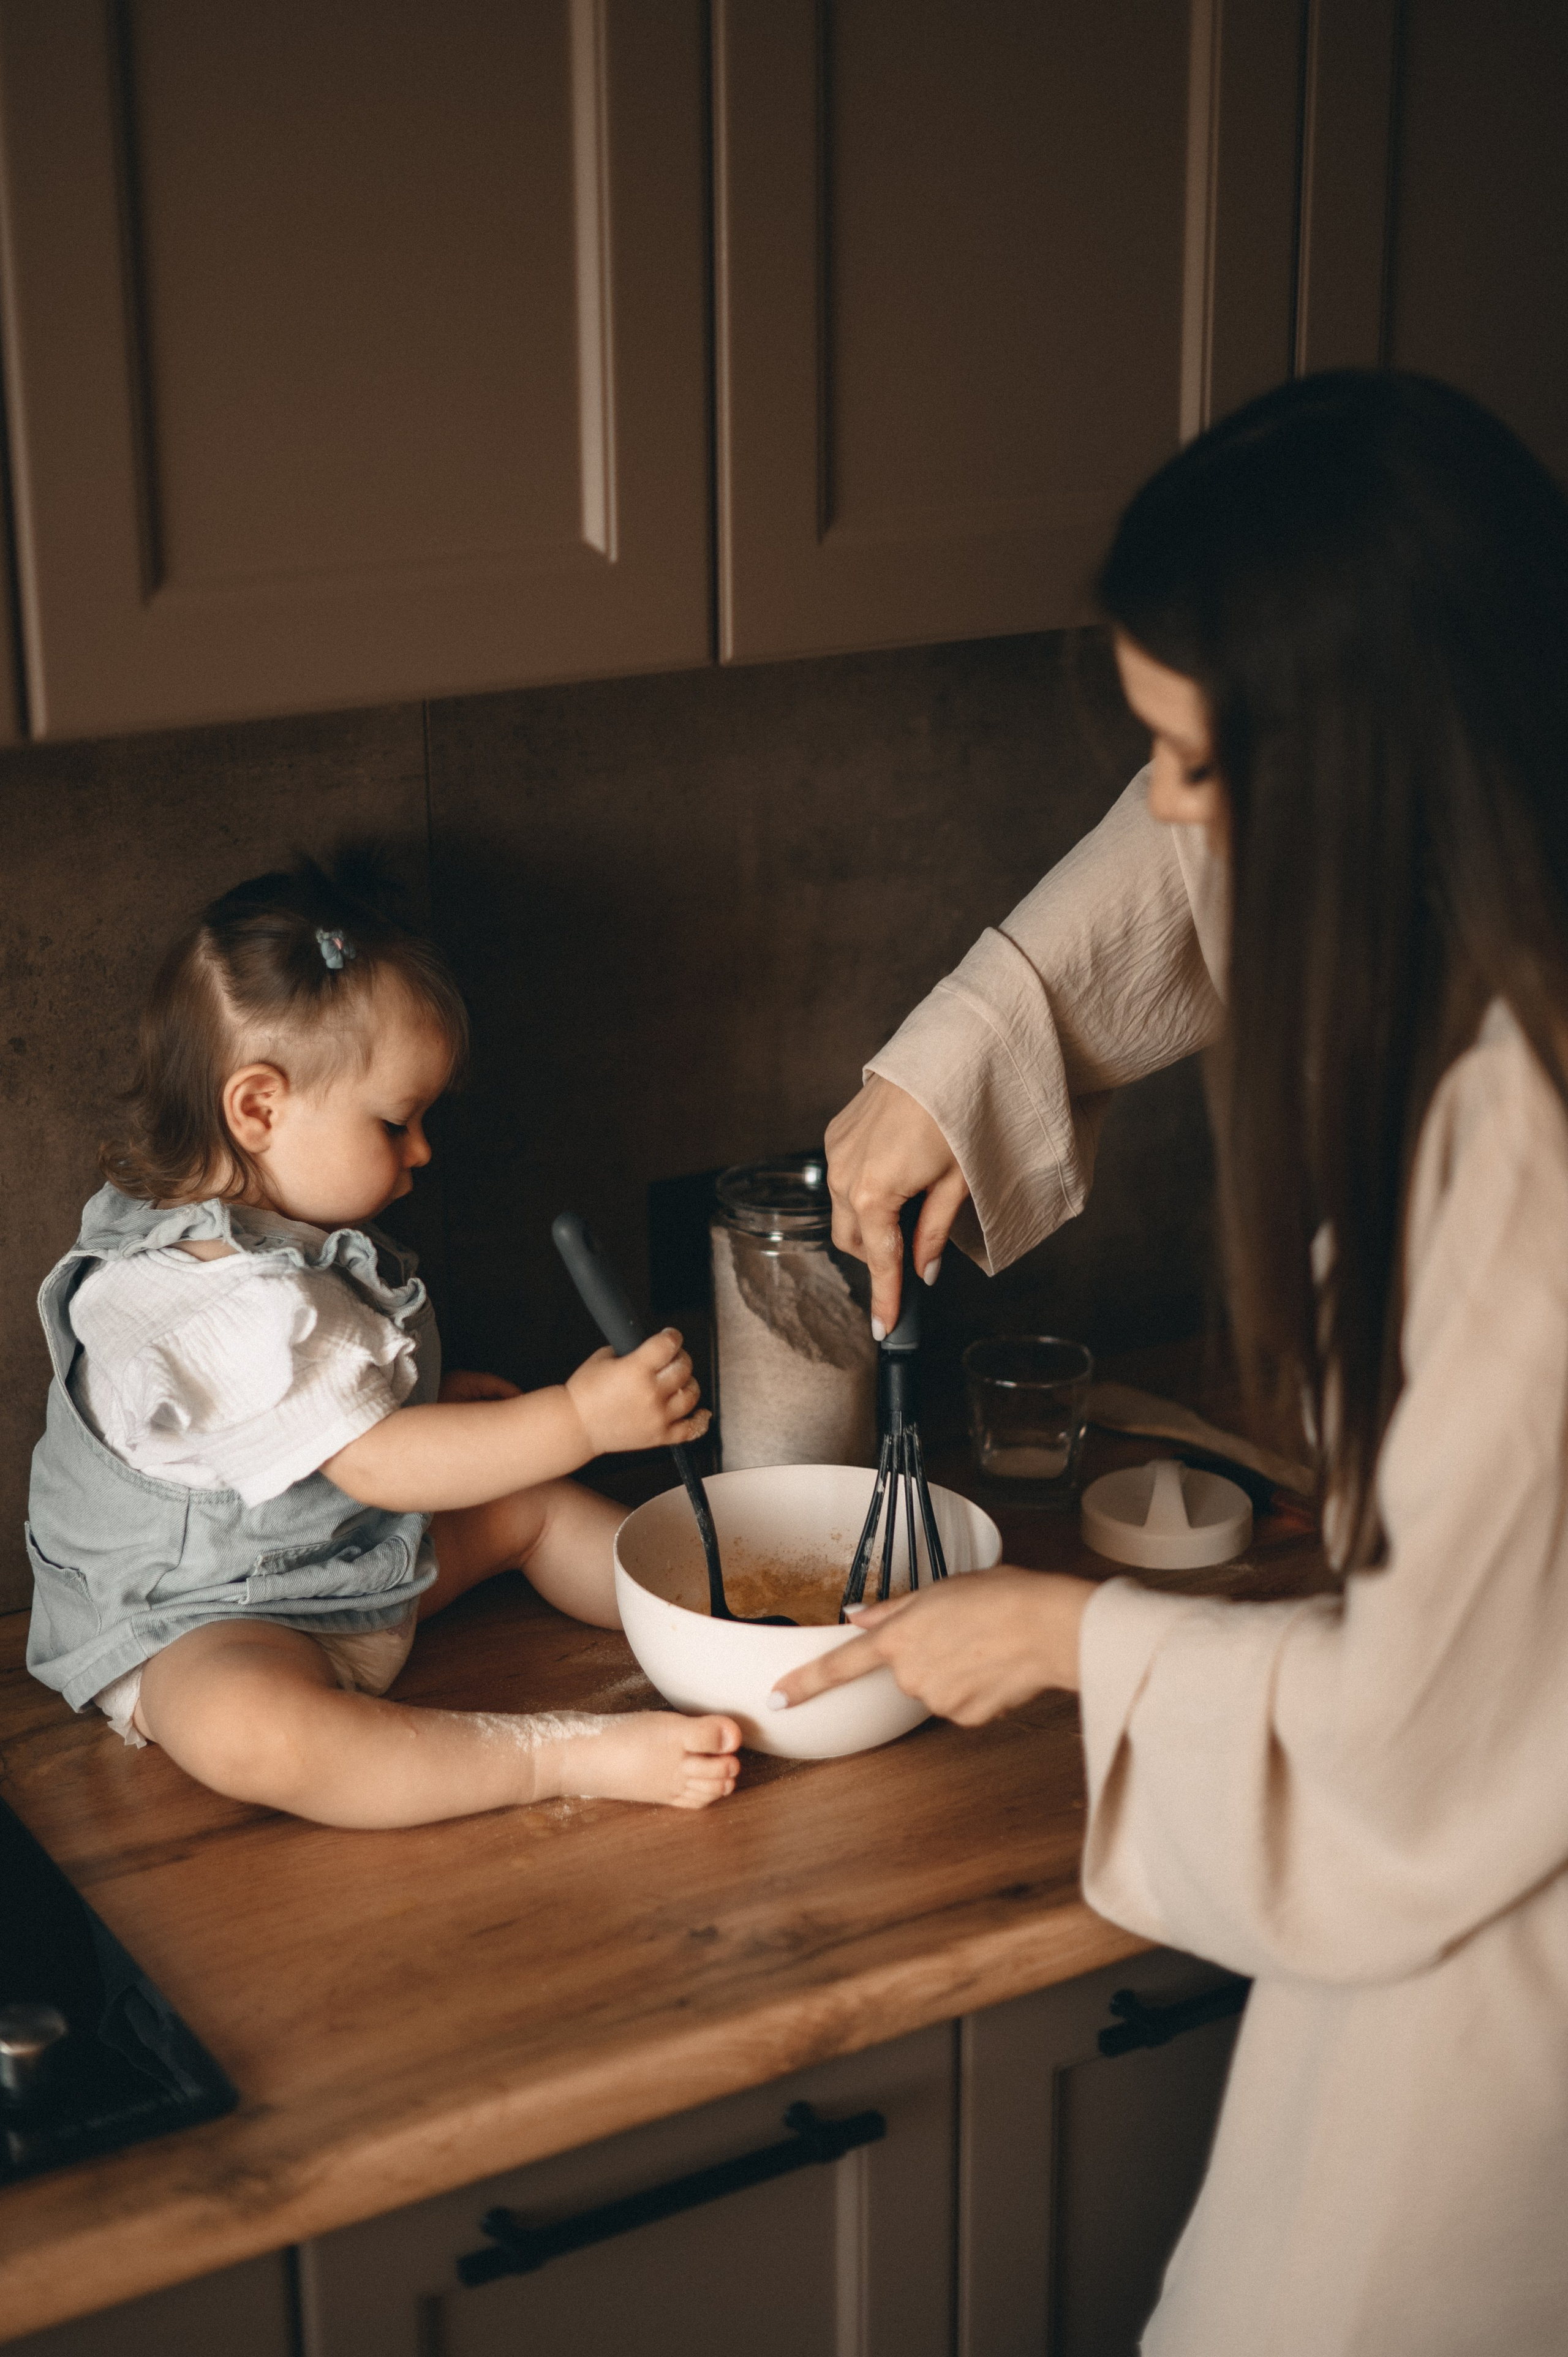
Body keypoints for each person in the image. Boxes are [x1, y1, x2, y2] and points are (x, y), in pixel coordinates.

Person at [774, 372, 1568, 2352]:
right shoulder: (1493, 826)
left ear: (1376, 767)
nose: (1174, 814)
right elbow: (1195, 864)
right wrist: (967, 1049)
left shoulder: (1523, 1155)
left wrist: (1061, 1639)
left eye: (1194, 762)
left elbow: (1406, 1747)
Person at [26, 859, 741, 1825]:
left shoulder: (269, 1234)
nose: (424, 1151)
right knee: (255, 1730)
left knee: (523, 1500)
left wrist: (452, 1422)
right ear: (259, 1107)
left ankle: (725, 1613)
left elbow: (338, 1422)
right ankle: (558, 1756)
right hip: (209, 1615)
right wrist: (576, 1417)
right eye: (397, 1122)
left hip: (350, 1558)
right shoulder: (210, 1303)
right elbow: (380, 1462)